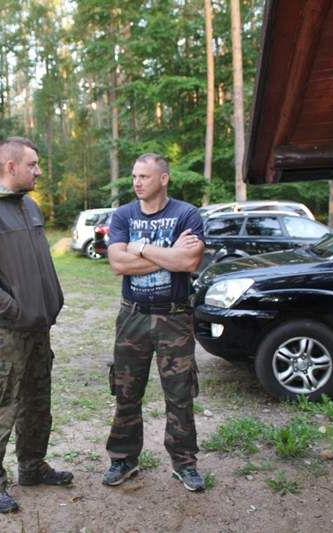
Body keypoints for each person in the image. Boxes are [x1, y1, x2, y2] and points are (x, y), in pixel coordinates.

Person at [0, 136, 71, 514]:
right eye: (32, 164)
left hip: (38, 329)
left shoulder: (29, 206)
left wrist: (50, 302)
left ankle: (32, 466)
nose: (38, 171)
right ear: (11, 167)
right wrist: (14, 310)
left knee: (38, 403)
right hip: (5, 333)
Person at [101, 153, 206, 491]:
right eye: (134, 176)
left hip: (174, 317)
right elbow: (118, 264)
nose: (136, 182)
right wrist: (168, 255)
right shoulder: (124, 215)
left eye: (144, 176)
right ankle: (123, 459)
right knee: (126, 391)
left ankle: (184, 463)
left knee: (180, 394)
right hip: (132, 316)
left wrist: (140, 248)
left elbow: (189, 262)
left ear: (163, 179)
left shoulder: (186, 214)